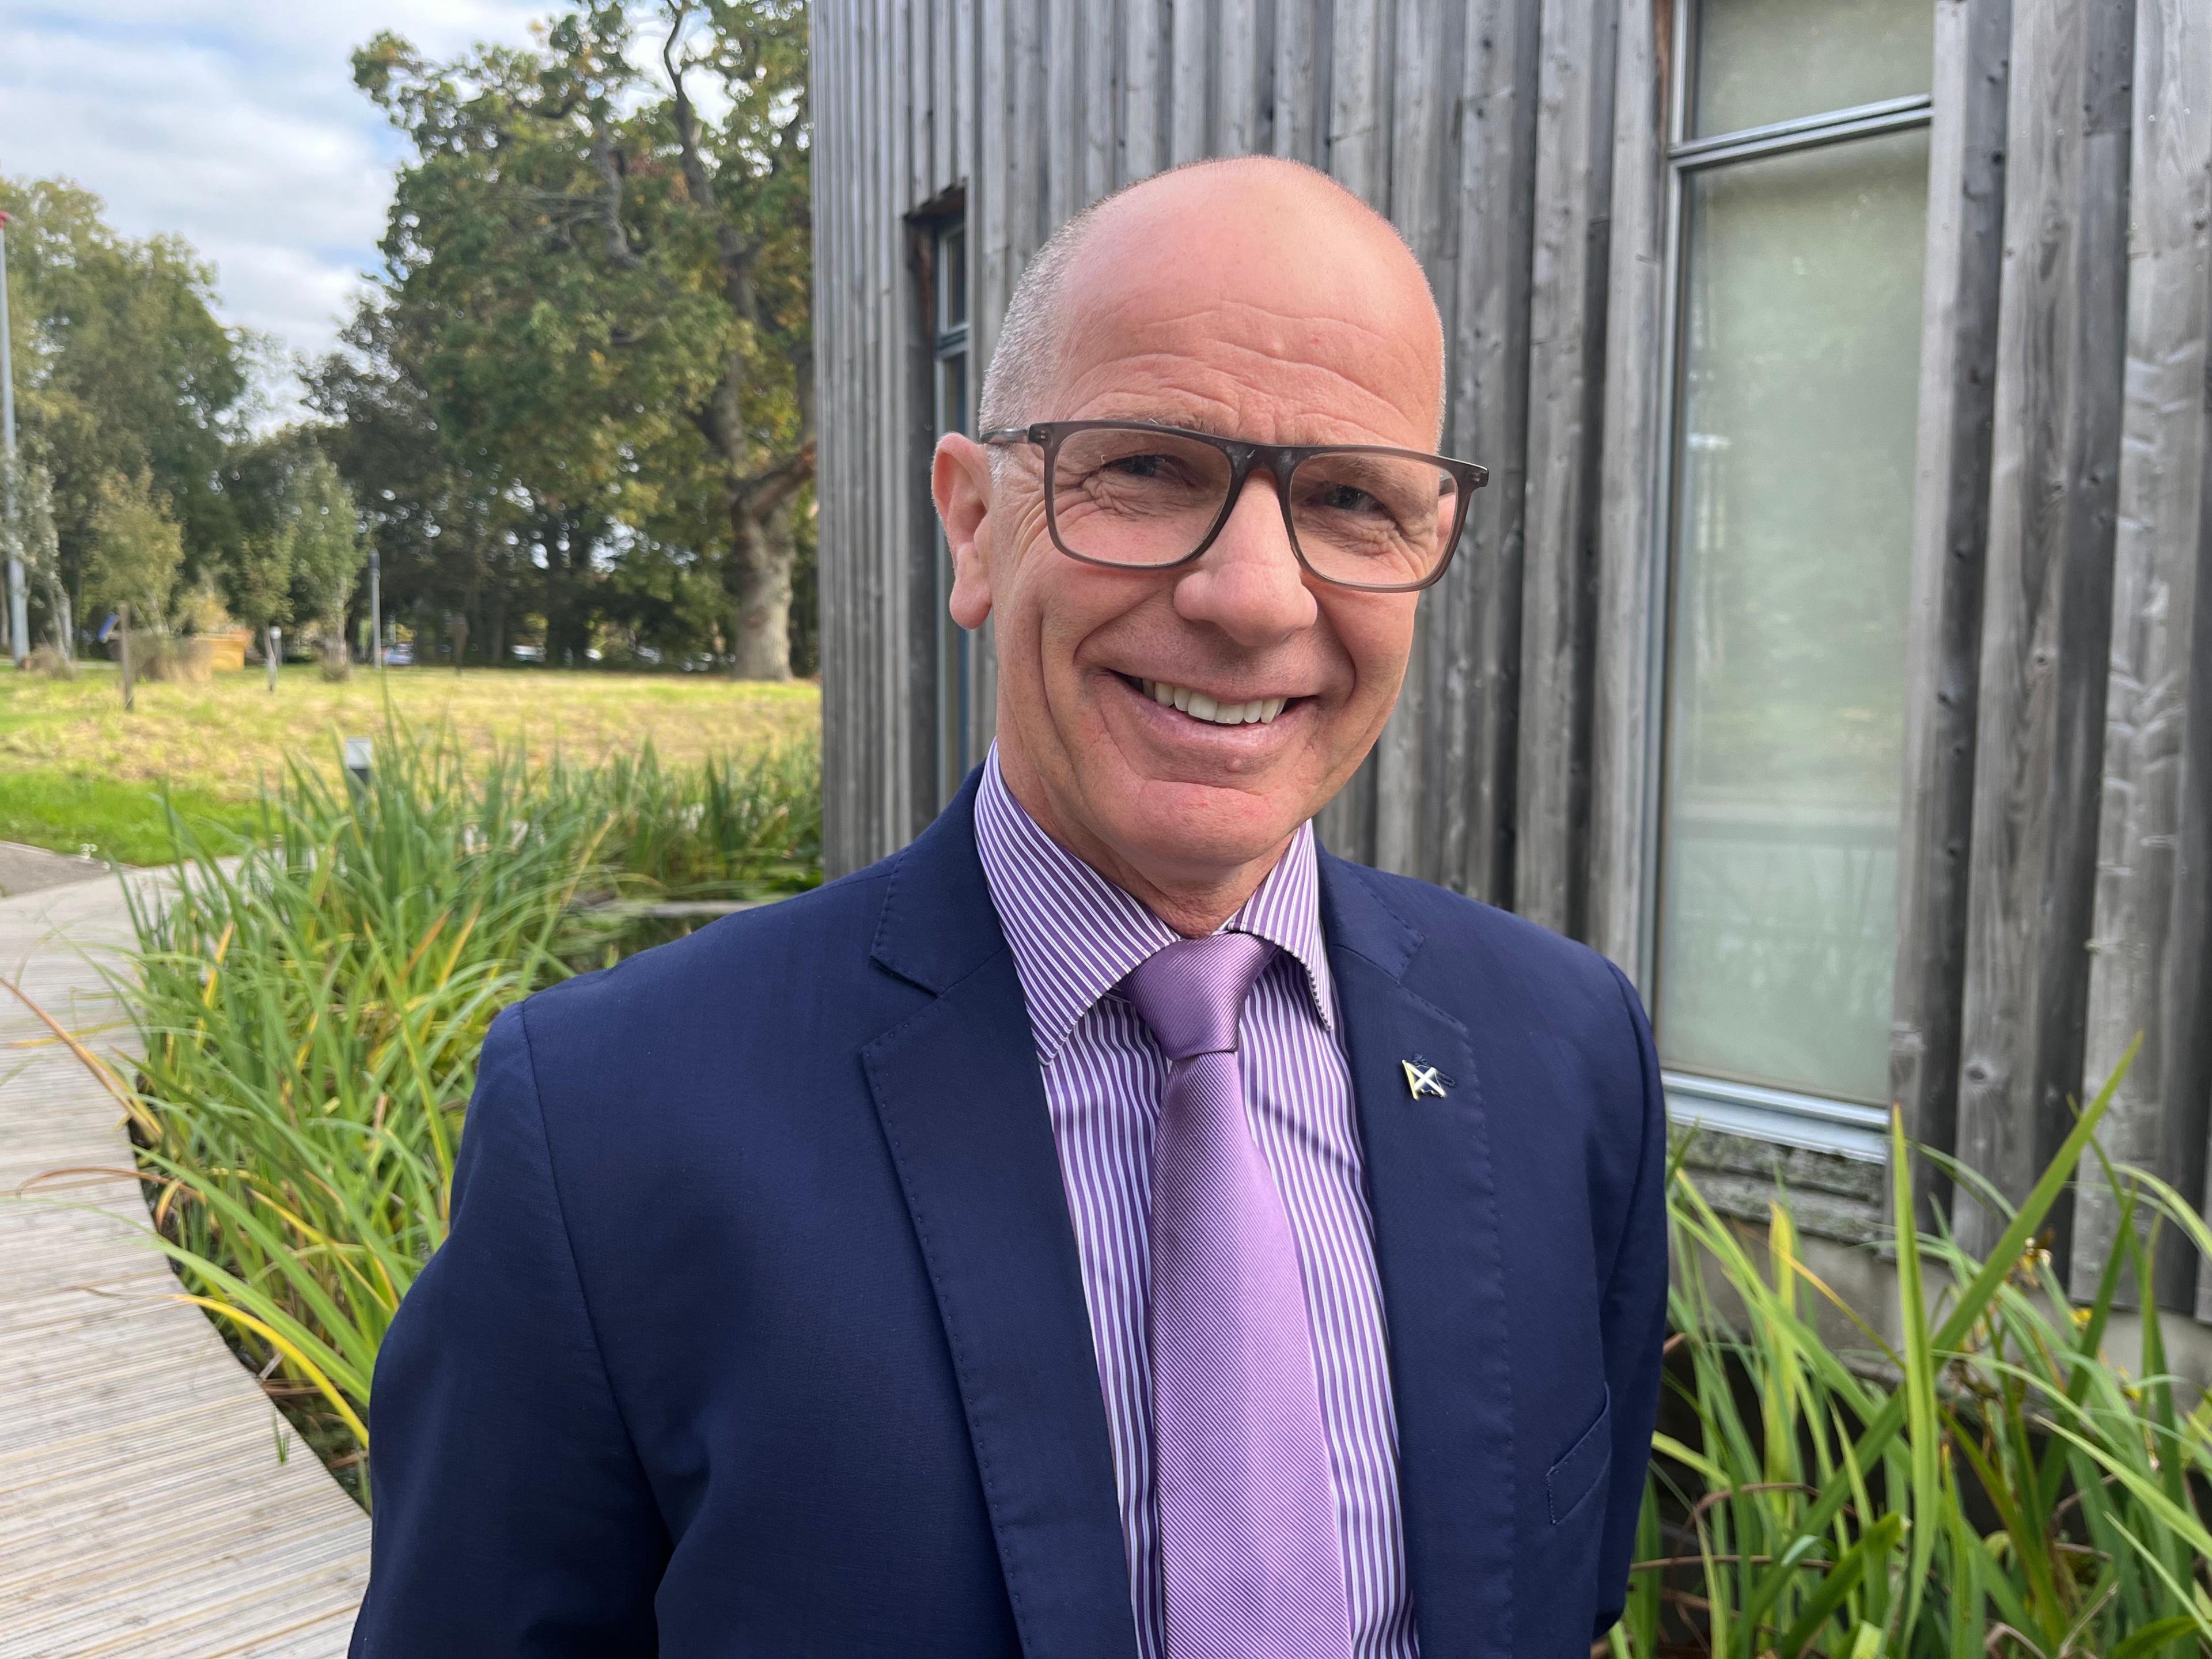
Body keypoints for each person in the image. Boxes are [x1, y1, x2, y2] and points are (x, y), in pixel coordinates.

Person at [351, 156, 1666, 1659]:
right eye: (1151, 467)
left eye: (1354, 499)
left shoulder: (1566, 1056)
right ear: (976, 522)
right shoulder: (608, 1129)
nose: (1252, 595)